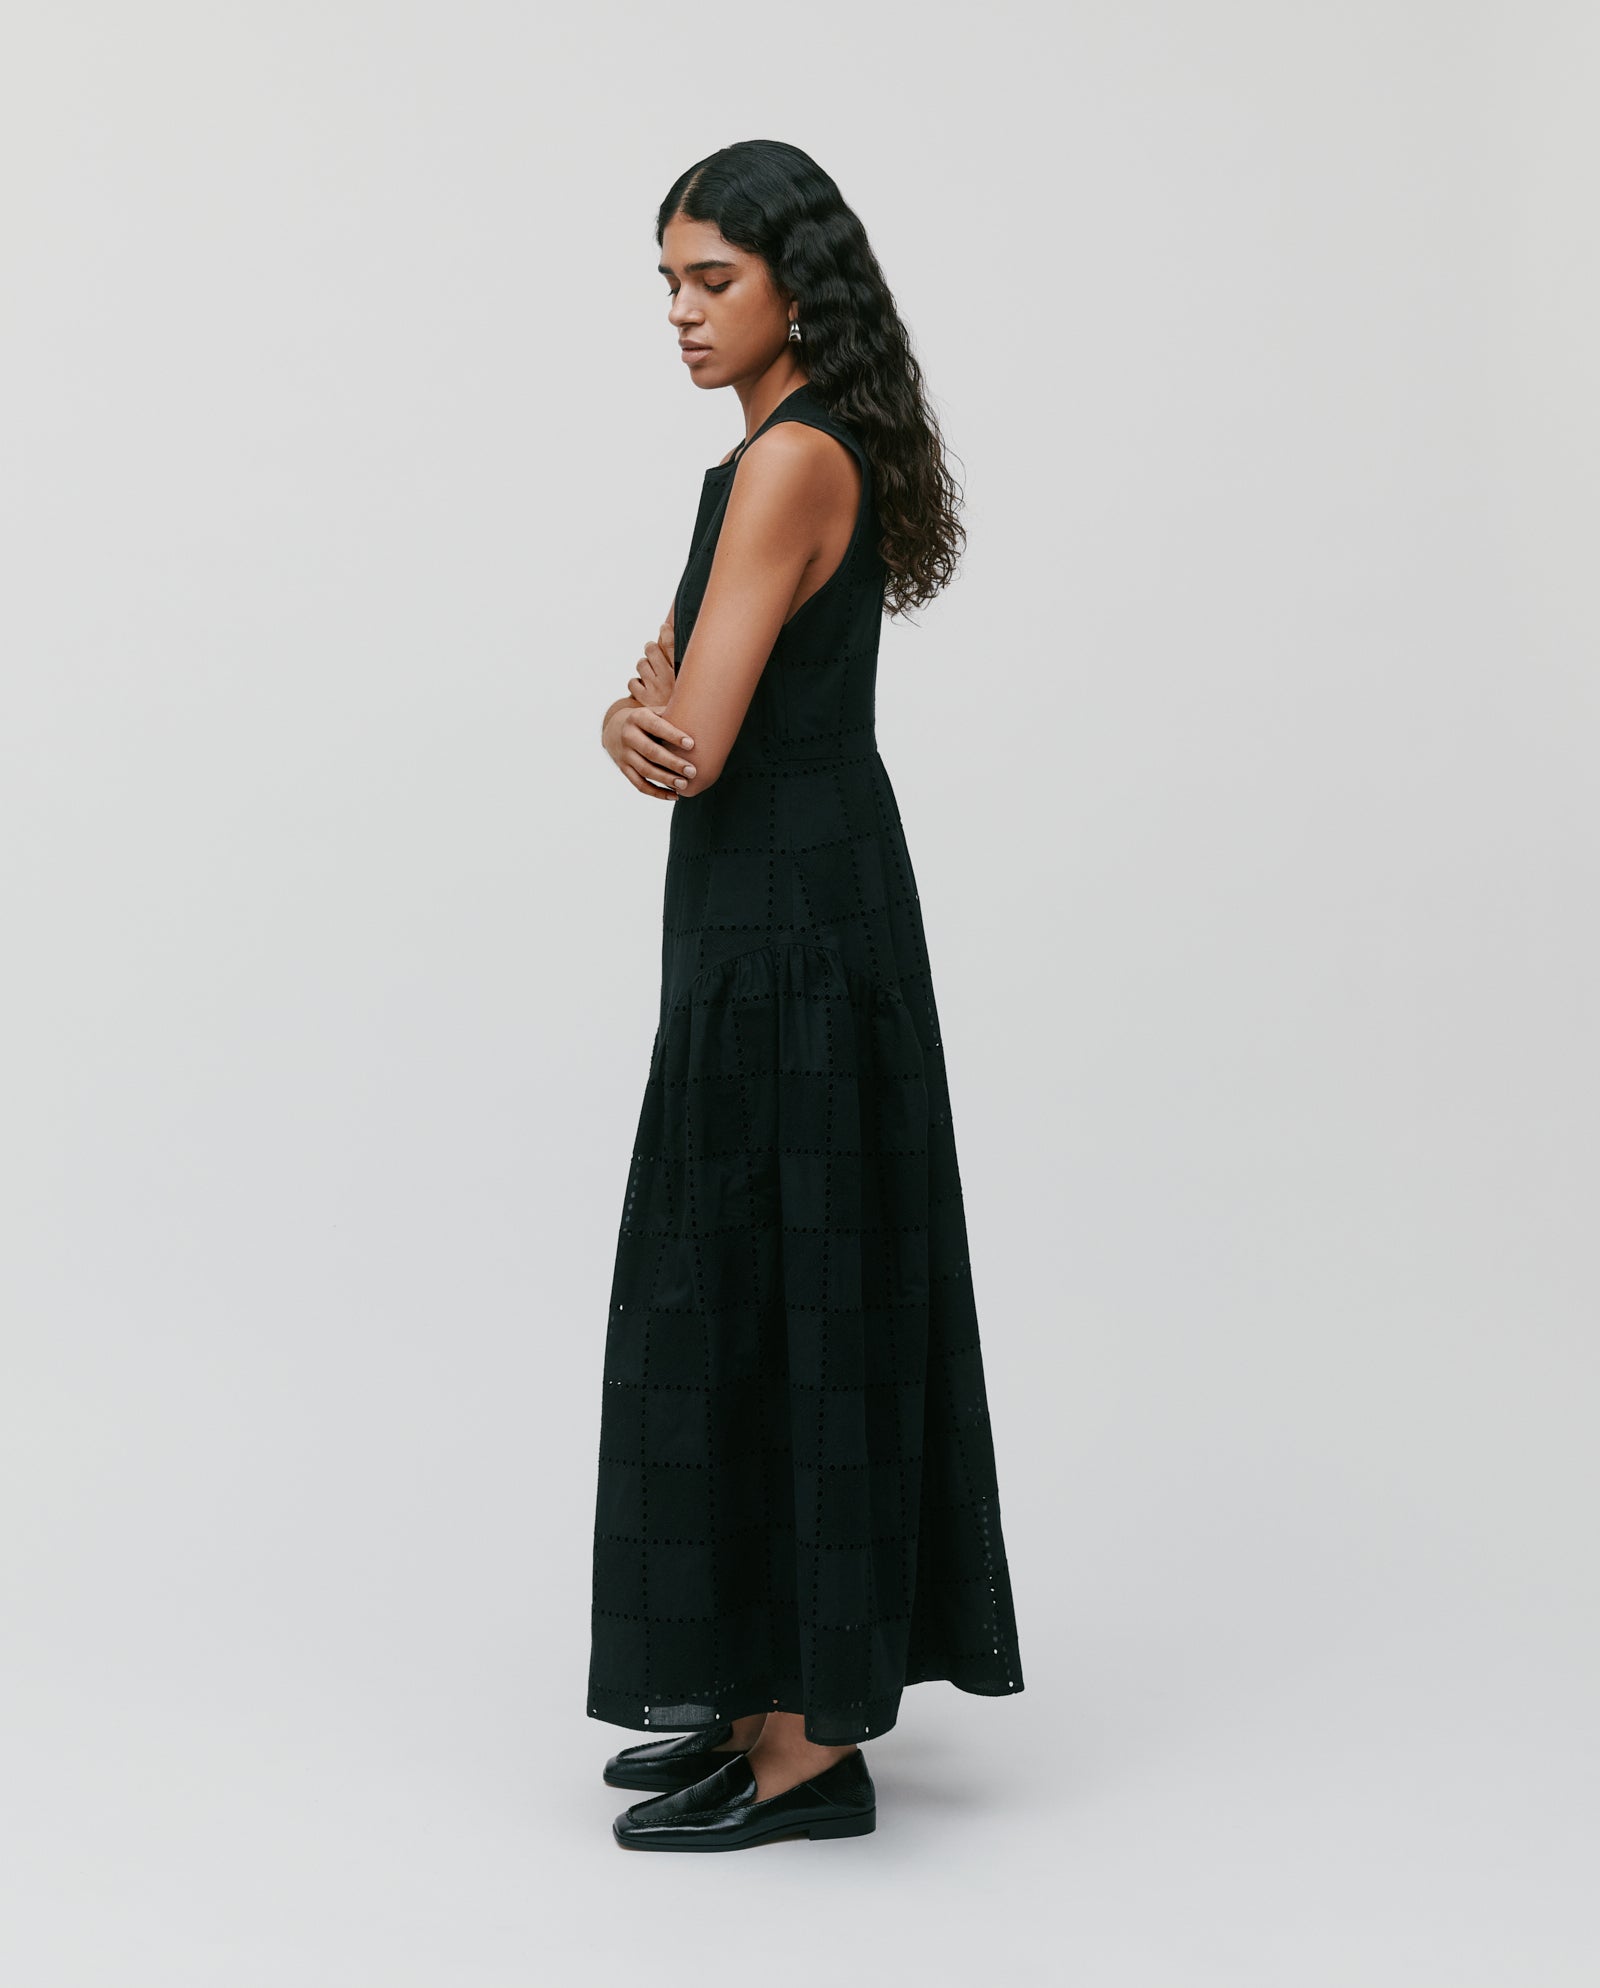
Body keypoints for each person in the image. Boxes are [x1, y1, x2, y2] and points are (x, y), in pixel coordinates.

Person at [591, 140, 1024, 1853]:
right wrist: (634, 718)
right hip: (788, 905)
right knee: (771, 1270)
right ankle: (766, 1701)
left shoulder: (787, 466)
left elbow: (682, 735)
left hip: (787, 920)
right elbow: (675, 725)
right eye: (671, 285)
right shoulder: (783, 454)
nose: (686, 315)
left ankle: (801, 1755)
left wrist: (633, 716)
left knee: (776, 1275)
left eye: (715, 279)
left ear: (794, 285)